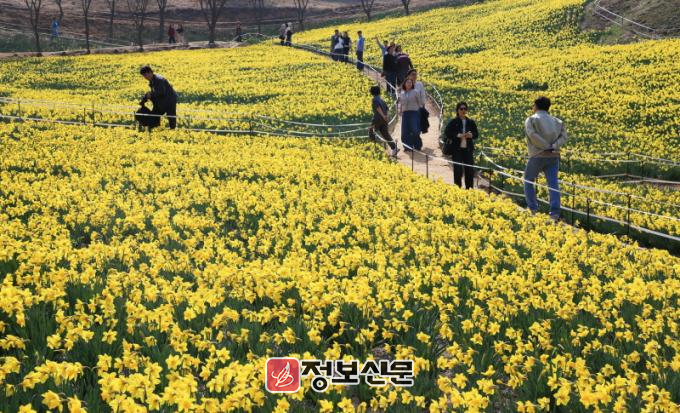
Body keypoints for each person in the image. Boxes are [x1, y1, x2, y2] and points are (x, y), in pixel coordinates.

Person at [523, 96, 569, 221]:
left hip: (537, 155)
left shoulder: (531, 119)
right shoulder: (557, 121)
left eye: (533, 105)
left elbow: (532, 135)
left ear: (536, 106)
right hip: (553, 155)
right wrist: (553, 146)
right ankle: (554, 212)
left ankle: (532, 208)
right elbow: (564, 137)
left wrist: (545, 146)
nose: (532, 107)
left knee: (528, 180)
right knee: (553, 183)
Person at [444, 102, 479, 189]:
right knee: (458, 170)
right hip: (457, 149)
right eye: (461, 109)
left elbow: (476, 134)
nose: (463, 110)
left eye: (465, 109)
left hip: (468, 149)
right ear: (457, 110)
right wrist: (458, 135)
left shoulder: (470, 122)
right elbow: (447, 132)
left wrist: (471, 135)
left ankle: (469, 190)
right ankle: (457, 189)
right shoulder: (453, 122)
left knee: (469, 170)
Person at [140, 66, 178, 130]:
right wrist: (144, 100)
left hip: (169, 100)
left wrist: (151, 95)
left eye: (146, 75)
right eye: (144, 76)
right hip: (160, 100)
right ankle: (155, 130)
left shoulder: (159, 79)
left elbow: (161, 92)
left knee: (171, 116)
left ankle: (172, 131)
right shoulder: (152, 80)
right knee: (154, 115)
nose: (145, 77)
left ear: (150, 72)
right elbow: (153, 92)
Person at [370, 86, 398, 157]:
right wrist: (386, 117)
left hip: (377, 119)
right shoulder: (382, 100)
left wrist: (383, 116)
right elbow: (387, 109)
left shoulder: (374, 99)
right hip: (384, 120)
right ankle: (394, 147)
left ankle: (375, 148)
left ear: (372, 92)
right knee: (385, 134)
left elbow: (378, 108)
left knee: (371, 131)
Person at [398, 78, 424, 151]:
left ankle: (417, 145)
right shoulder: (402, 93)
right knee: (405, 131)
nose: (409, 84)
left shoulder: (415, 92)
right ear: (404, 84)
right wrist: (400, 111)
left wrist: (420, 111)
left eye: (410, 83)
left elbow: (420, 102)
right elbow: (400, 103)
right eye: (407, 82)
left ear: (412, 84)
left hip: (414, 112)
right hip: (405, 113)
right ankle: (407, 147)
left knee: (415, 130)